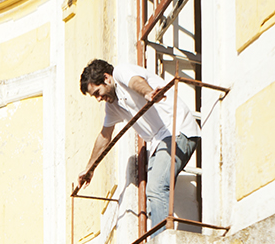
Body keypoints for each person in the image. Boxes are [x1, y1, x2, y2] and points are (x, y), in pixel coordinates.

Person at [75, 58, 199, 231]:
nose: (98, 99)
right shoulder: (112, 106)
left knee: (156, 188)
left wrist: (148, 93)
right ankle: (157, 239)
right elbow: (105, 136)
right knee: (152, 195)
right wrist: (90, 168)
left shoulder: (120, 72)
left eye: (97, 92)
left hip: (176, 128)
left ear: (106, 78)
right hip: (159, 141)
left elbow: (136, 82)